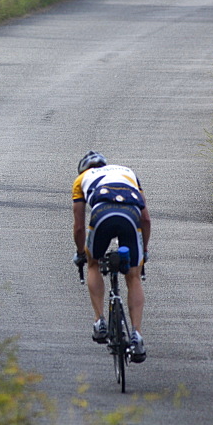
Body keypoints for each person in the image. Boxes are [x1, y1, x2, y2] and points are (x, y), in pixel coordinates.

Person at [72, 151, 151, 362]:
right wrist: (144, 253)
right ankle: (136, 335)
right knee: (133, 276)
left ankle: (100, 321)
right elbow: (146, 219)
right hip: (130, 215)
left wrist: (82, 254)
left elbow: (79, 226)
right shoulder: (128, 173)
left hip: (102, 214)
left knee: (93, 264)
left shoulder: (81, 179)